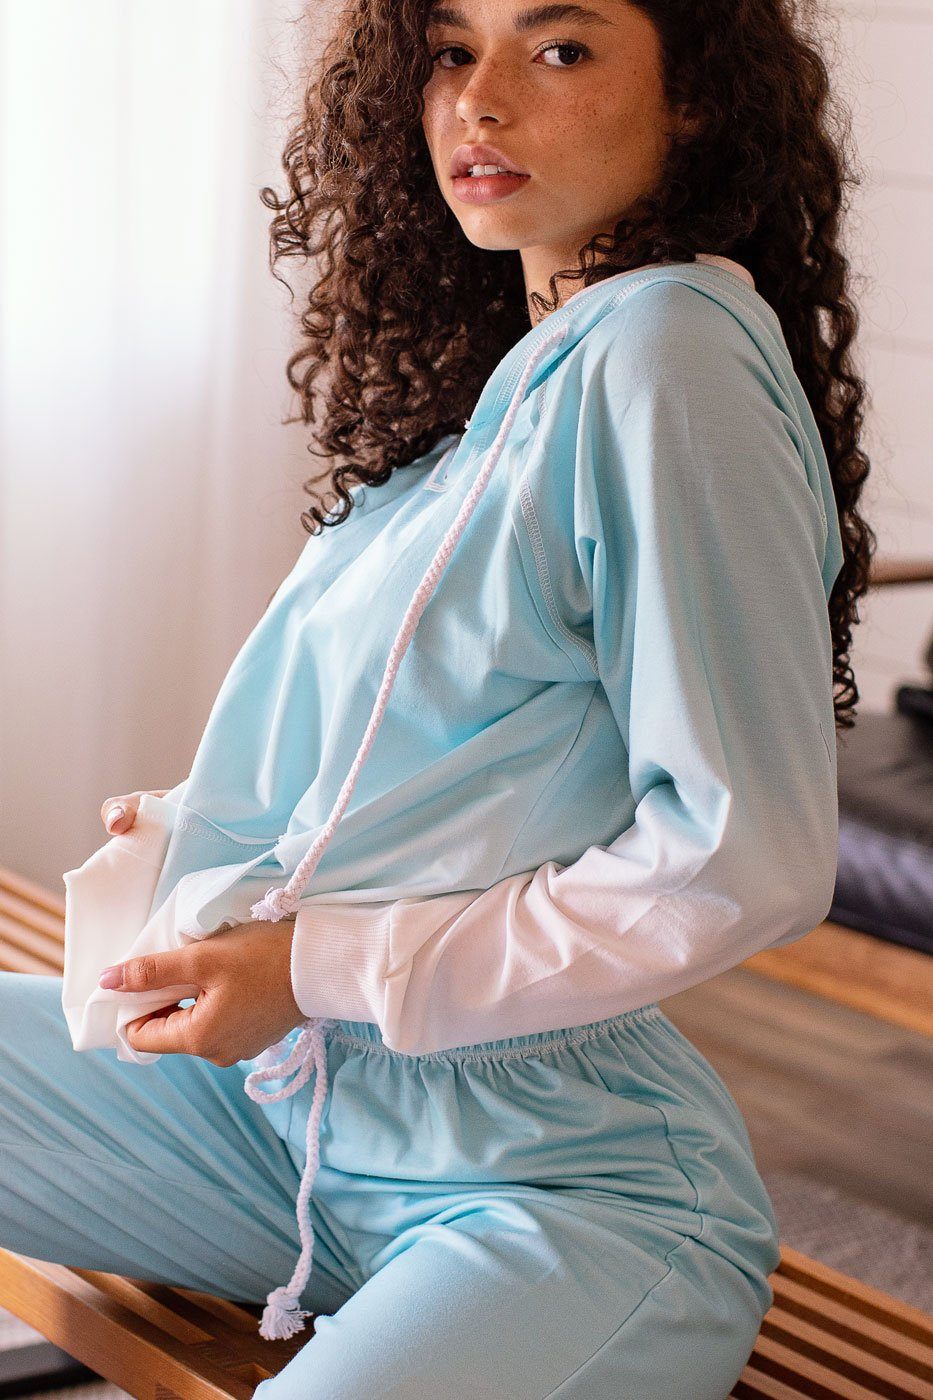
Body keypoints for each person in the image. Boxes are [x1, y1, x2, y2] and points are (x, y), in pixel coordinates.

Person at [0, 0, 875, 1395]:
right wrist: (210, 839)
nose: (479, 101)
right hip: (295, 1116)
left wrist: (308, 966)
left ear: (697, 96)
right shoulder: (515, 380)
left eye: (561, 47)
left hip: (566, 1193)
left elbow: (743, 856)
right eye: (454, 51)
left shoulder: (668, 352)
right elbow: (459, 749)